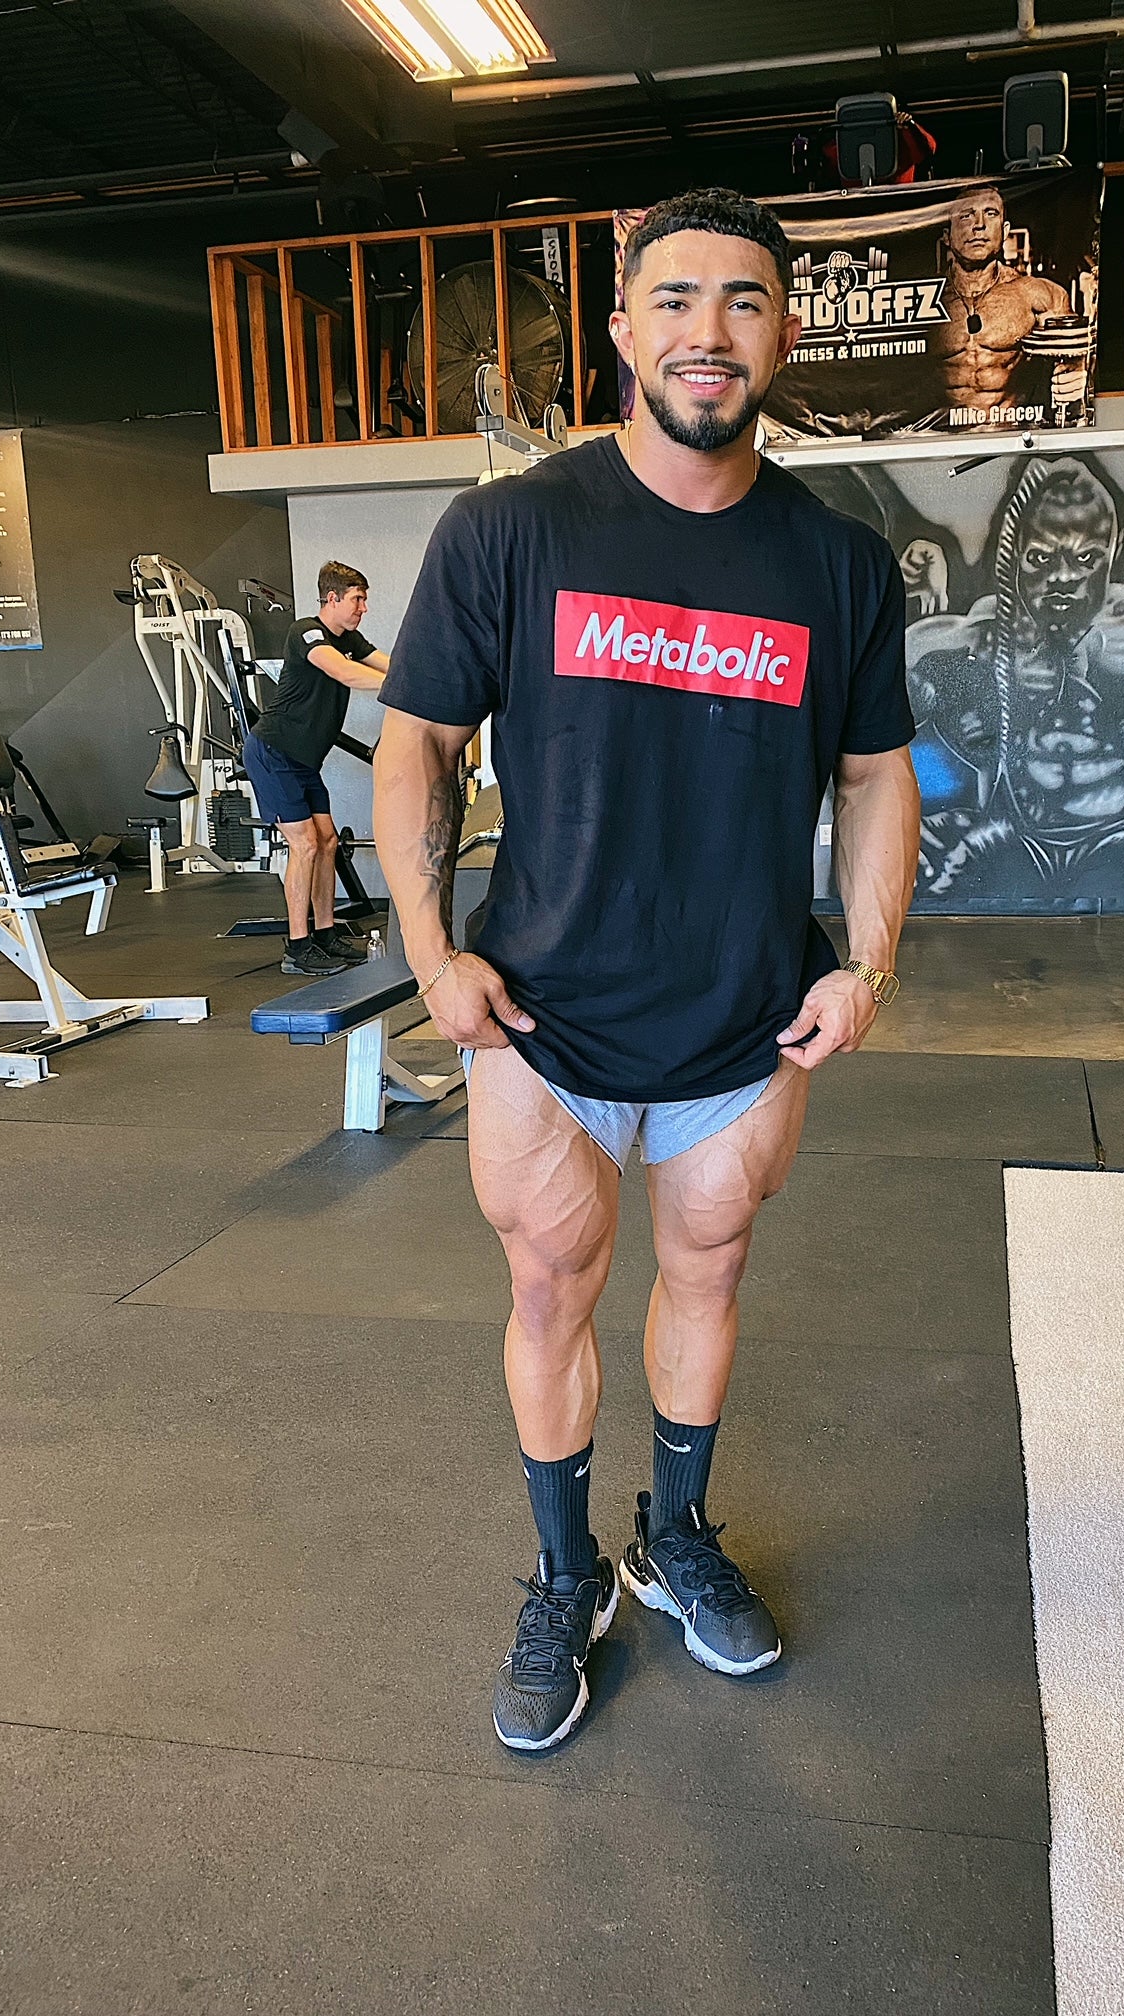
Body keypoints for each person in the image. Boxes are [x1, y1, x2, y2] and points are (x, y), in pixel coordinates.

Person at [373, 187, 919, 1754]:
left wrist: (869, 964)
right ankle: (567, 1579)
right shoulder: (511, 529)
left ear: (784, 335)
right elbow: (417, 745)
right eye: (674, 300)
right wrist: (430, 954)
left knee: (712, 1274)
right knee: (550, 1285)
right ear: (622, 330)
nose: (708, 332)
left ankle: (674, 1541)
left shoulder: (836, 560)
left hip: (747, 1017)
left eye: (743, 302)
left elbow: (877, 773)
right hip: (541, 1018)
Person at [906, 456, 1124, 903]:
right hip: (1004, 844)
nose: (1063, 577)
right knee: (903, 842)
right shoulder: (979, 637)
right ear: (1013, 556)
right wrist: (922, 605)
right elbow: (883, 701)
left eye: (1086, 557)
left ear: (1114, 549)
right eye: (1040, 557)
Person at [244, 561, 391, 976]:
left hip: (304, 761)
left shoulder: (350, 639)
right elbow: (344, 672)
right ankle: (297, 947)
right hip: (273, 752)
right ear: (332, 598)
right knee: (306, 844)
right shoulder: (306, 632)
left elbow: (389, 664)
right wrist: (402, 686)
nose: (363, 608)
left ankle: (325, 934)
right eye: (357, 599)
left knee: (327, 842)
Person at [927, 183, 1086, 424]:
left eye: (990, 213)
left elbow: (1077, 359)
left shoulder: (1038, 295)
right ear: (947, 236)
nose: (979, 225)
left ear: (1005, 230)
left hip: (1013, 433)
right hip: (936, 438)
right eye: (966, 215)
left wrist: (1078, 375)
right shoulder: (921, 300)